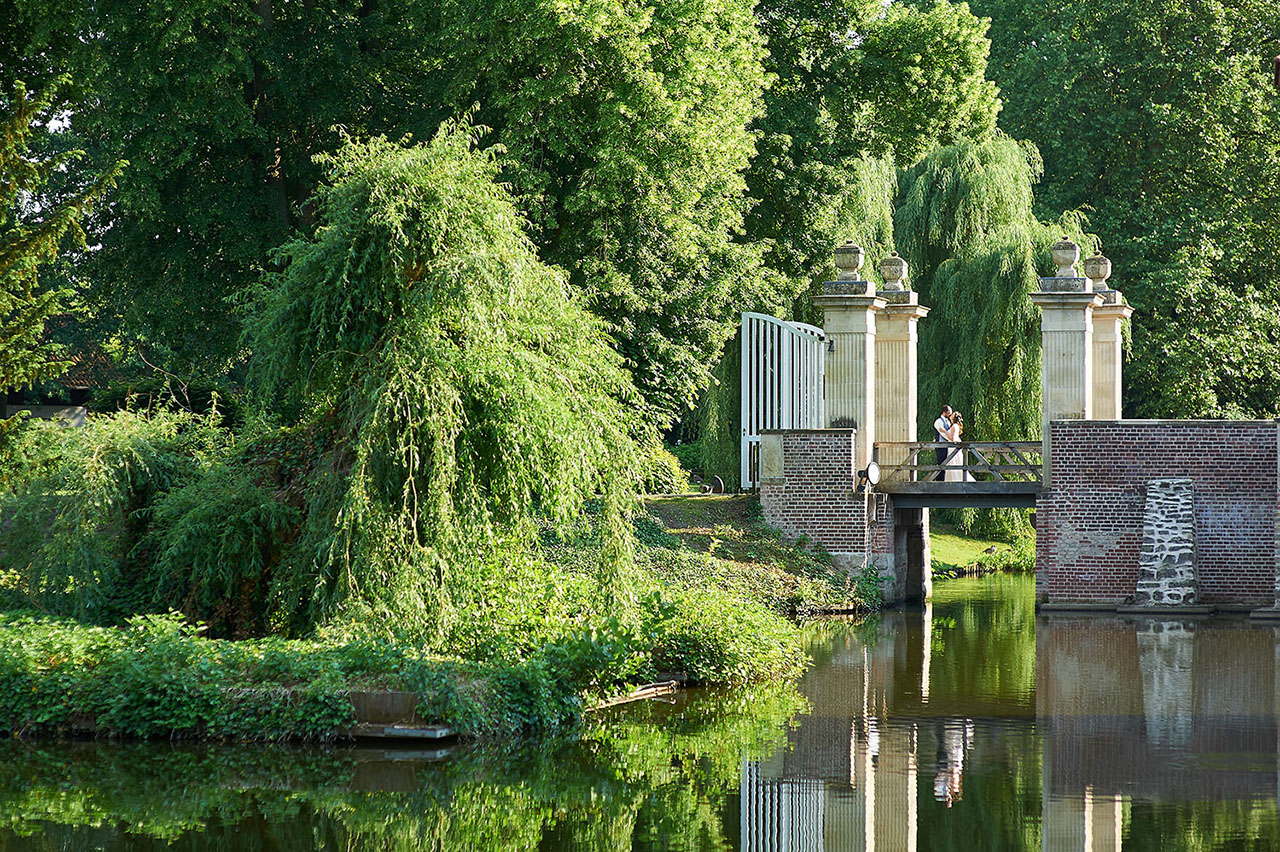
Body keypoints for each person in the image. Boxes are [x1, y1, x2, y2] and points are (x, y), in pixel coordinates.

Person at [932, 405, 953, 481]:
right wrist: (951, 439)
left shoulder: (948, 421)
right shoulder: (938, 421)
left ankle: (944, 480)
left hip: (947, 446)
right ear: (944, 412)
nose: (950, 414)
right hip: (940, 446)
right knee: (941, 464)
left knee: (946, 464)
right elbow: (943, 434)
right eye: (949, 412)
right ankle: (939, 481)